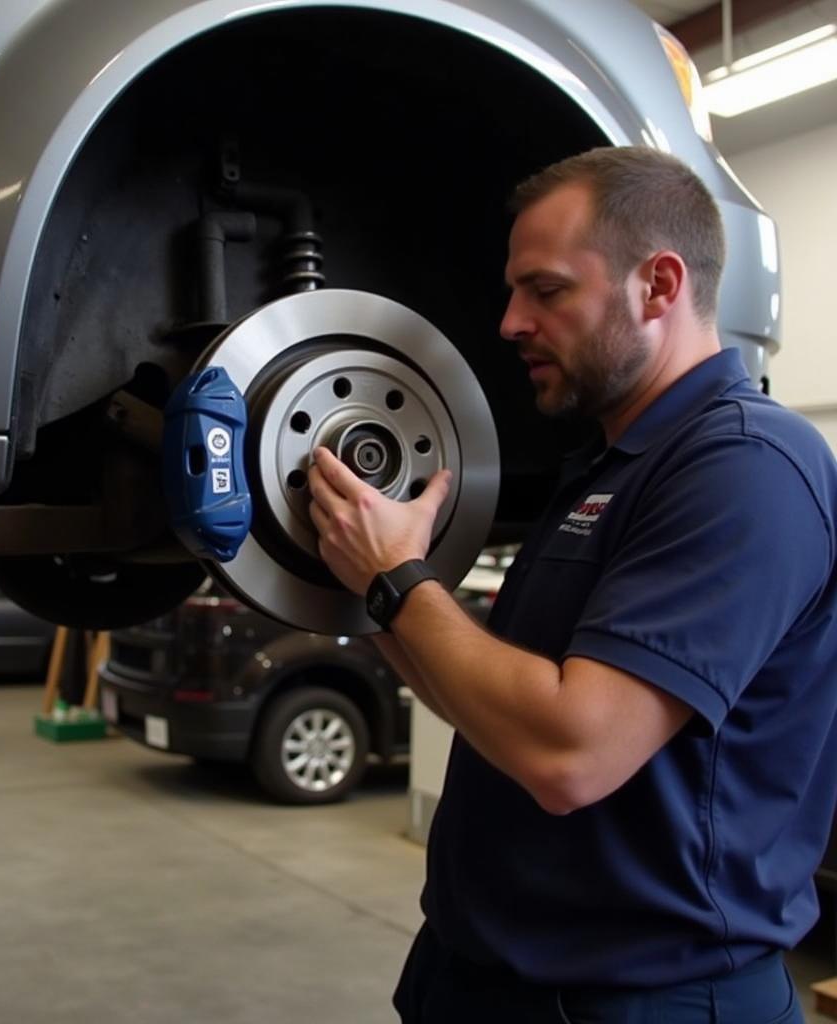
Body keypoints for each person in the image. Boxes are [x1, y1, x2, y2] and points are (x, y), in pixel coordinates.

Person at [306, 146, 837, 1024]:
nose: (510, 321)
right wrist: (354, 583)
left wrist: (397, 577)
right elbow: (490, 704)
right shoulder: (608, 465)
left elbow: (570, 754)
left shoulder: (745, 468)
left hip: (643, 1003)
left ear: (658, 286)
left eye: (546, 290)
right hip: (483, 979)